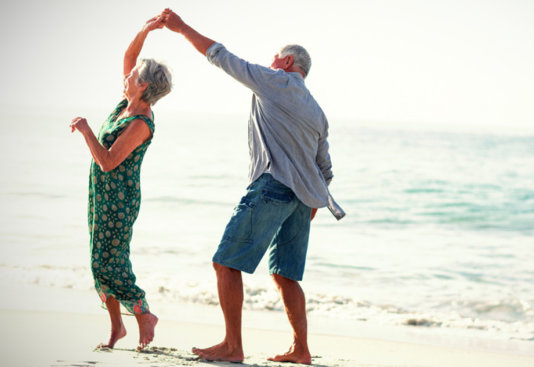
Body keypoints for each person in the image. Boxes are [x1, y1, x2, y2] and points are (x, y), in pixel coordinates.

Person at [160, 8, 335, 365]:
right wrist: (312, 203)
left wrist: (180, 28)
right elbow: (325, 168)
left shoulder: (275, 80)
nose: (270, 62)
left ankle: (232, 346)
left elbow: (221, 57)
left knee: (225, 264)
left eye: (275, 58)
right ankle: (301, 350)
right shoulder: (317, 110)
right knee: (285, 275)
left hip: (272, 187)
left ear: (286, 62)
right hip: (303, 200)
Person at [69, 15, 172, 351]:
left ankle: (143, 314)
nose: (126, 75)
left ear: (143, 86)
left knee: (107, 262)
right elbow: (129, 59)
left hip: (119, 199)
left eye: (133, 76)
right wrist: (145, 30)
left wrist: (86, 131)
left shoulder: (142, 121)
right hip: (100, 194)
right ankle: (117, 329)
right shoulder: (125, 105)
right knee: (99, 261)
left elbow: (109, 161)